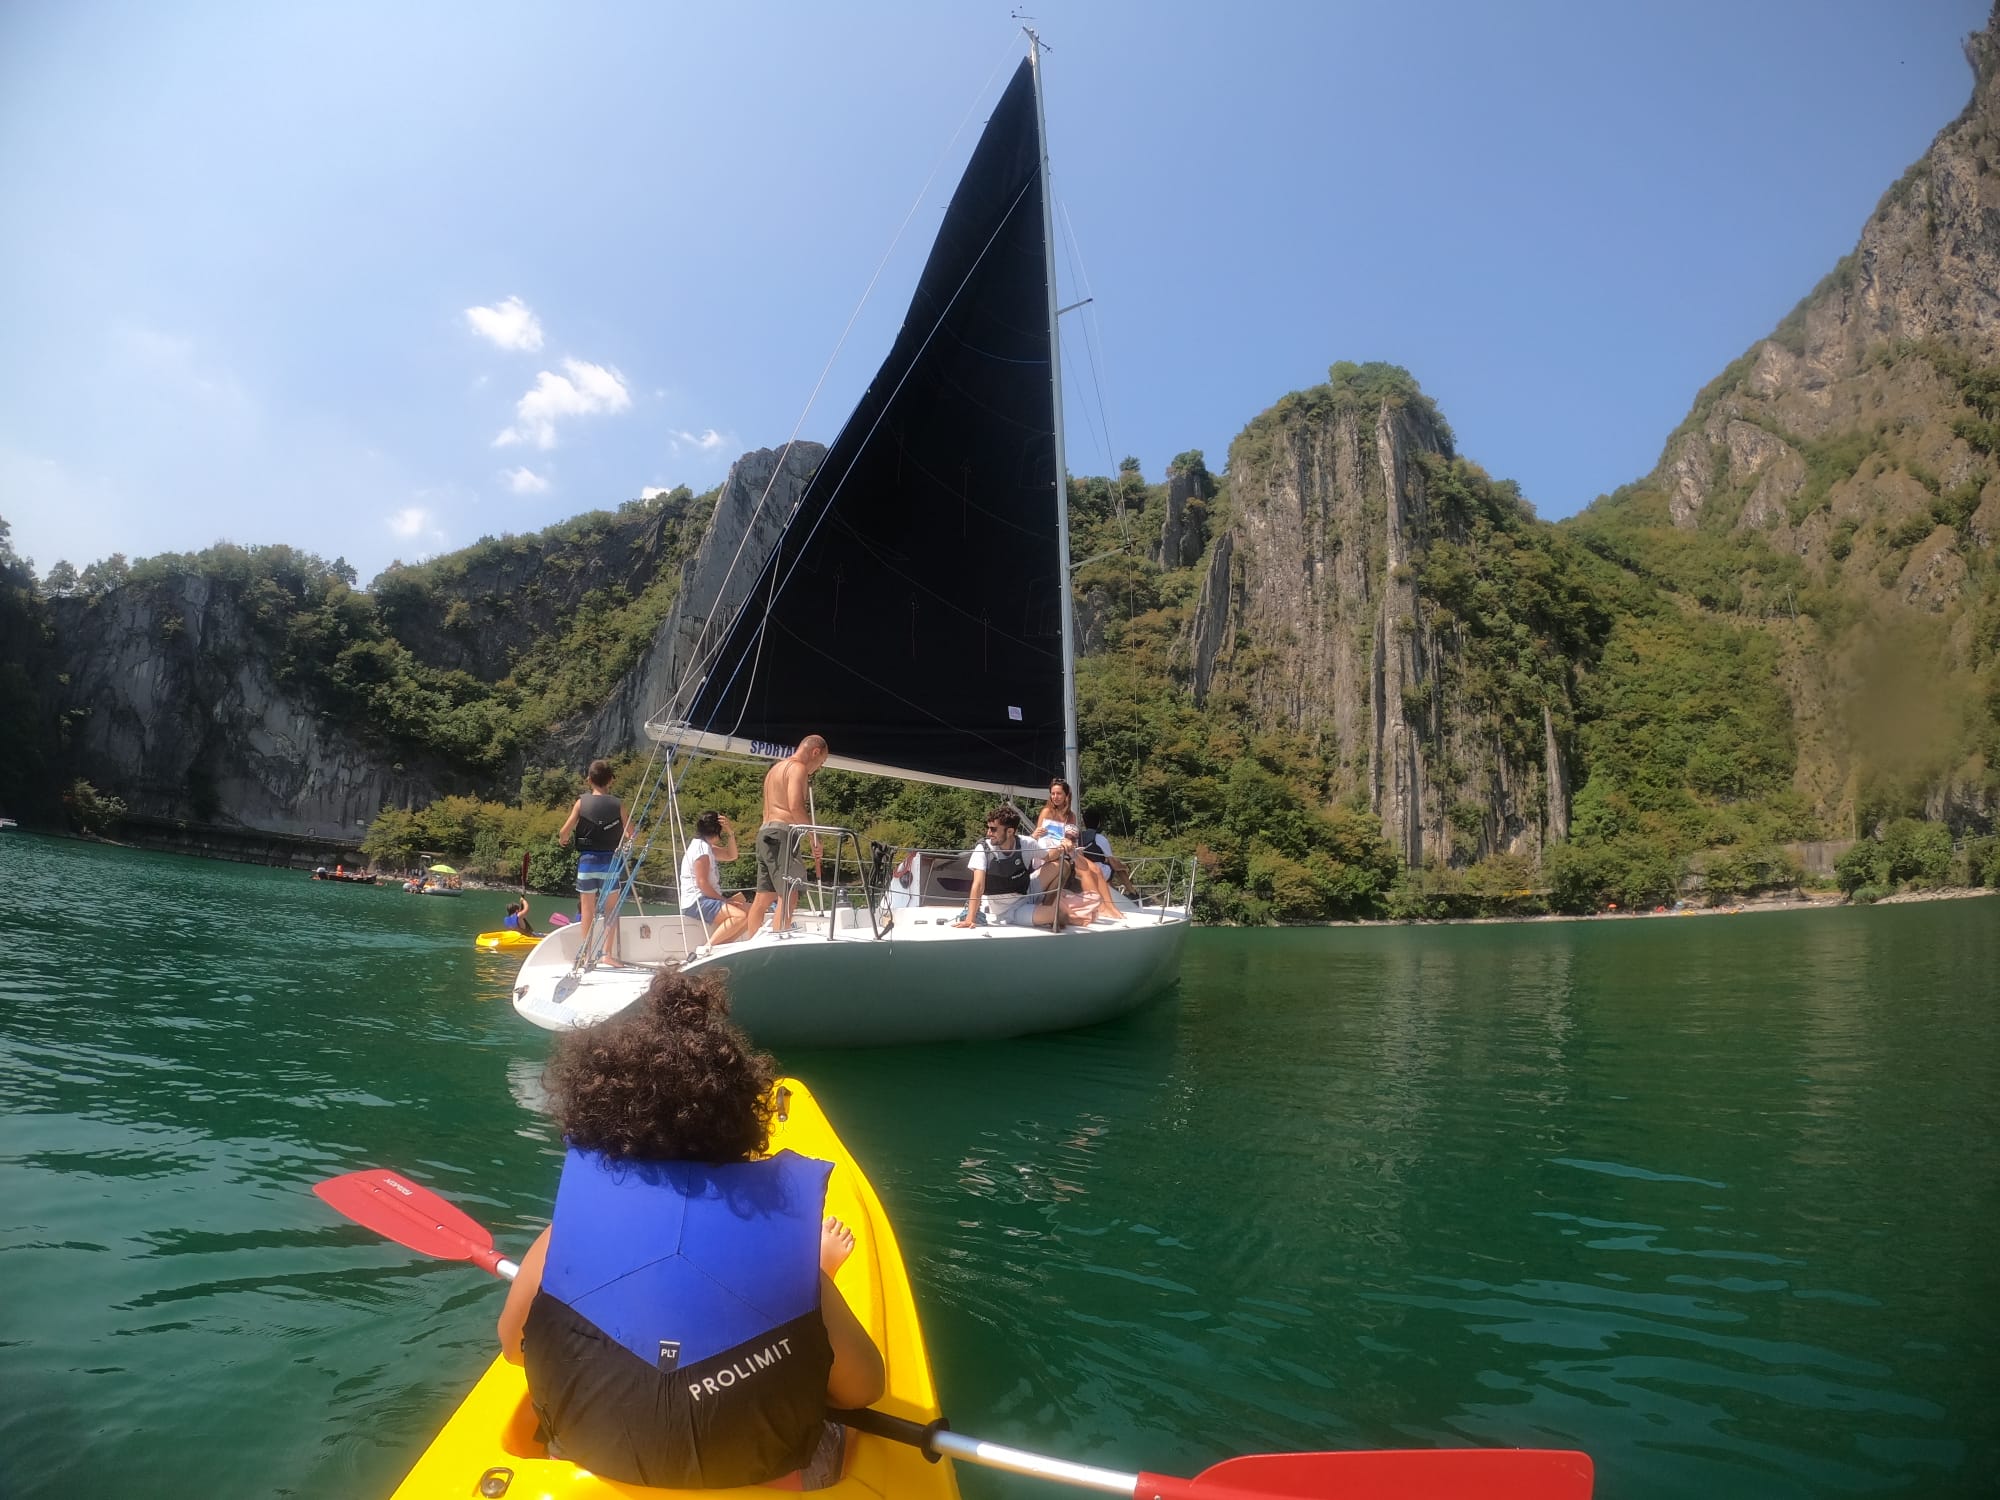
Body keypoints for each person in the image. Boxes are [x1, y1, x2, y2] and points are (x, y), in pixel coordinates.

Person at [495, 971, 883, 1489]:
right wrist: (815, 1274)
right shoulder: (783, 1247)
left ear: (597, 1113)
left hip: (592, 1459)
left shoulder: (561, 1234)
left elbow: (514, 1349)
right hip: (755, 1473)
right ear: (742, 1121)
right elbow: (863, 1389)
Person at [951, 806, 1103, 929]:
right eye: (989, 828)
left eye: (993, 829)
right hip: (1010, 909)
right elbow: (978, 884)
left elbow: (1048, 856)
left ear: (1010, 832)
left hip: (1028, 890)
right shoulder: (983, 848)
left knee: (1063, 865)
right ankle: (1060, 913)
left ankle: (1047, 905)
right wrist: (970, 919)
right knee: (1058, 916)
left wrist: (1064, 847)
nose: (988, 833)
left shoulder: (1026, 843)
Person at [744, 736, 829, 941]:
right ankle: (776, 942)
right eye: (822, 762)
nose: (819, 767)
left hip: (764, 832)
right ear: (815, 752)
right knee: (789, 894)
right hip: (783, 834)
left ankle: (751, 943)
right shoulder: (798, 768)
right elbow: (795, 807)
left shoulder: (774, 770)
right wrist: (814, 837)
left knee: (763, 897)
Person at [558, 760, 635, 967]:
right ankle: (606, 955)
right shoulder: (617, 804)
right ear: (611, 780)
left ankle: (585, 955)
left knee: (587, 910)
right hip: (610, 863)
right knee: (611, 910)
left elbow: (564, 831)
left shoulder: (581, 802)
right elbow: (631, 833)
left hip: (587, 863)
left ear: (589, 780)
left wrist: (563, 839)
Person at [681, 810, 753, 947]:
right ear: (717, 831)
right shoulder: (700, 850)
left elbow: (732, 855)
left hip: (707, 899)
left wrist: (730, 833)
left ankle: (721, 947)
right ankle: (708, 948)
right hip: (697, 900)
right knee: (739, 916)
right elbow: (702, 884)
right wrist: (725, 901)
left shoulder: (706, 847)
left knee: (751, 912)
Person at [1033, 777, 1079, 843]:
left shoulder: (1071, 816)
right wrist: (1034, 835)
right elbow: (1037, 836)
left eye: (1059, 793)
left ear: (1066, 795)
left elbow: (1072, 840)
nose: (1055, 797)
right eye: (1053, 794)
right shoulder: (1046, 812)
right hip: (1045, 850)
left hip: (1063, 850)